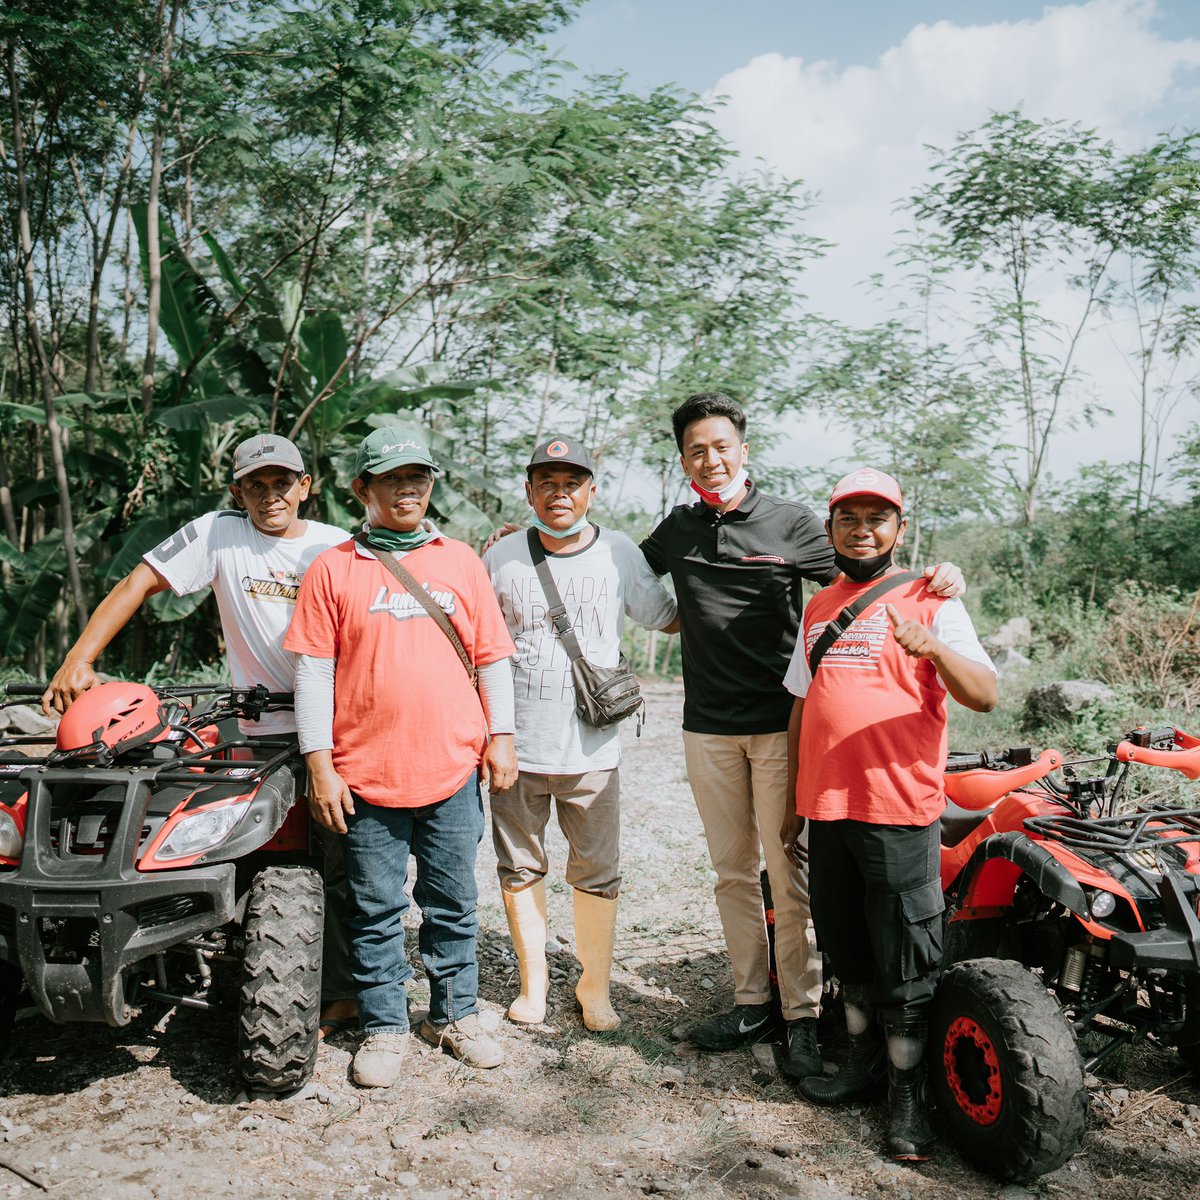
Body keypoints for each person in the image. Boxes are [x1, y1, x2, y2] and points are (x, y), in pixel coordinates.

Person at [638, 392, 966, 1080]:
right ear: (683, 459)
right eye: (696, 448)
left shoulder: (790, 523)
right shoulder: (676, 529)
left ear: (744, 449)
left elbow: (864, 569)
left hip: (785, 725)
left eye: (721, 445)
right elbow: (624, 572)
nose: (710, 458)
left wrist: (943, 577)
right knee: (731, 873)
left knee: (788, 872)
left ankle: (803, 1013)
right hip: (708, 726)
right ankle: (753, 1001)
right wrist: (523, 548)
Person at [40, 432, 358, 1039]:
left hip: (339, 725)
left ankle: (342, 993)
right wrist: (77, 658)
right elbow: (140, 582)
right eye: (256, 485)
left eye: (283, 483)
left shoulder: (337, 546)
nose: (271, 496)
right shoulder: (218, 532)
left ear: (305, 486)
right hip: (256, 725)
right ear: (238, 491)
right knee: (234, 847)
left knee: (344, 858)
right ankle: (239, 961)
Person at [285, 426, 518, 1088]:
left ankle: (453, 1015)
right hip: (365, 776)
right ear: (363, 489)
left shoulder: (461, 561)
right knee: (375, 906)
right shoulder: (335, 566)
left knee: (452, 900)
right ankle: (385, 1025)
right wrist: (319, 762)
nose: (407, 489)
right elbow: (313, 673)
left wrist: (501, 734)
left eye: (418, 477)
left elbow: (491, 656)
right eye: (391, 479)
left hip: (451, 769)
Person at [780, 467, 996, 1162]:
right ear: (832, 526)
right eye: (849, 517)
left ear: (900, 529)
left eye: (878, 517)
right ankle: (864, 1062)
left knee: (907, 952)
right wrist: (792, 799)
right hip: (829, 809)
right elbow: (800, 703)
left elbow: (985, 694)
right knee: (846, 941)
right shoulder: (818, 608)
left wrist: (931, 647)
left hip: (899, 808)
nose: (862, 528)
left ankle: (909, 1093)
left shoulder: (932, 599)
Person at [484, 435, 678, 1031]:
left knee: (597, 869)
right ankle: (533, 984)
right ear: (529, 492)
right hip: (516, 742)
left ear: (591, 490)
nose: (559, 493)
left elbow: (668, 618)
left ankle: (594, 987)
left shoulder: (618, 551)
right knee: (519, 864)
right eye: (547, 482)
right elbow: (476, 642)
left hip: (594, 748)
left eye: (572, 483)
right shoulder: (501, 555)